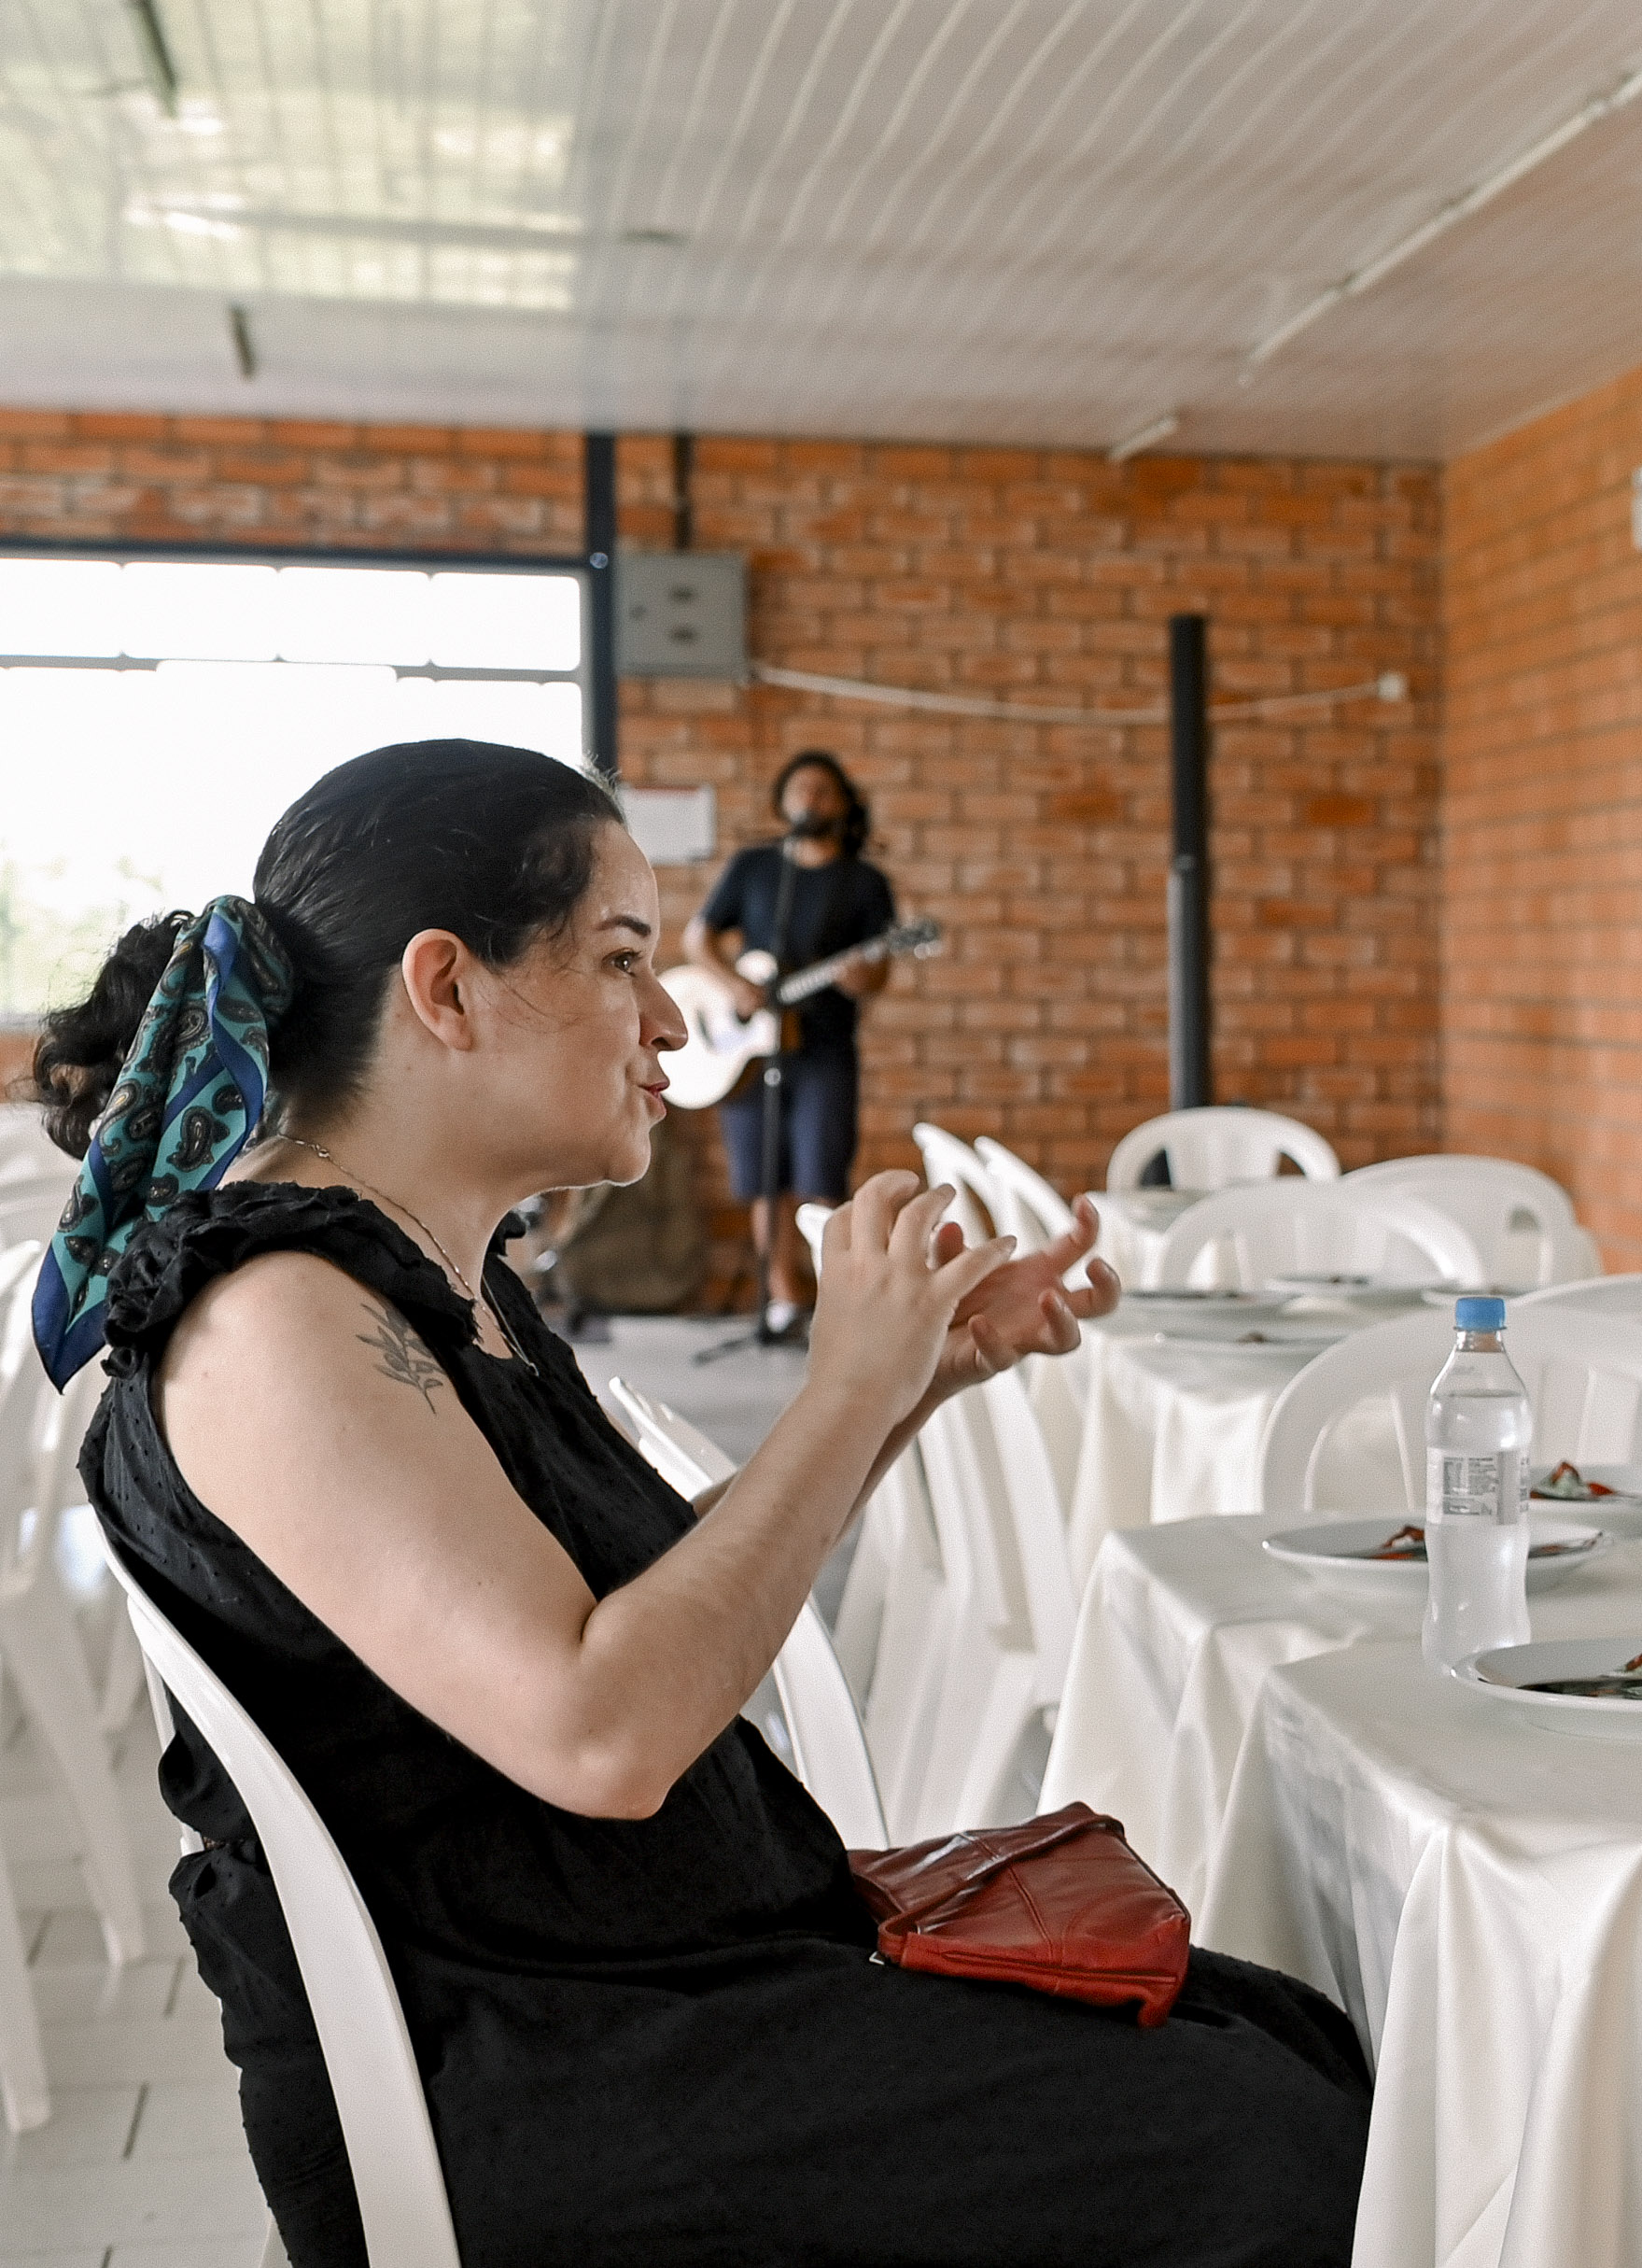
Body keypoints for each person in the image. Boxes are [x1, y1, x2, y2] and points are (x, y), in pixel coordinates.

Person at [22, 740, 1368, 2267]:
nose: (670, 1018)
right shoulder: (275, 1318)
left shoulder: (435, 1283)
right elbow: (602, 1728)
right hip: (524, 2066)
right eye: (620, 959)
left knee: (1288, 2033)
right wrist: (846, 1384)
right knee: (1274, 2139)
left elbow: (648, 1603)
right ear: (447, 987)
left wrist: (912, 1379)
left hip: (648, 1972)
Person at [682, 750, 898, 1334]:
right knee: (763, 1179)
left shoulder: (864, 882)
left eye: (823, 790)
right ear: (782, 800)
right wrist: (734, 985)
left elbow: (877, 973)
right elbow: (699, 937)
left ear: (844, 803)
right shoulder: (755, 867)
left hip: (824, 1050)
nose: (811, 799)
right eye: (800, 789)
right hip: (749, 1053)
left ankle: (835, 1303)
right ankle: (782, 1299)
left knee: (822, 1177)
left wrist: (859, 977)